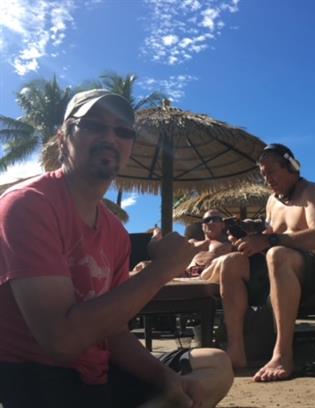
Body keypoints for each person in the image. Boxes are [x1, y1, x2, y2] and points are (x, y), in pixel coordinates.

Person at [0, 89, 233, 407]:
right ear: (62, 138)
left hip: (100, 375)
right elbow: (61, 342)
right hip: (42, 380)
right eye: (93, 125)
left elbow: (116, 334)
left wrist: (165, 378)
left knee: (214, 366)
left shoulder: (115, 232)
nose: (110, 137)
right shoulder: (29, 205)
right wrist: (162, 270)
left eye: (123, 131)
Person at [216, 143, 315, 382]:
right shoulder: (272, 202)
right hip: (284, 266)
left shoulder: (313, 192)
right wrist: (252, 233)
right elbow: (271, 232)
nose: (268, 179)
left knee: (277, 254)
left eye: (272, 172)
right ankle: (236, 352)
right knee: (231, 262)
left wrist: (269, 240)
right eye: (263, 175)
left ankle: (283, 354)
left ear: (291, 167)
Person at [186, 209, 232, 280]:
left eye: (215, 219)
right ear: (202, 226)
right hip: (185, 281)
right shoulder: (191, 243)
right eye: (207, 220)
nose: (211, 223)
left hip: (211, 281)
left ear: (222, 225)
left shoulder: (230, 244)